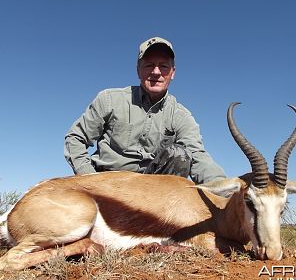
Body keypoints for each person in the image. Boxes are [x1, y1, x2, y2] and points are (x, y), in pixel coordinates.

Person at [64, 36, 226, 184]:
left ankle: (160, 212)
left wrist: (222, 185)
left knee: (180, 155)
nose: (156, 72)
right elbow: (76, 138)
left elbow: (198, 156)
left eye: (163, 66)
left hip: (151, 189)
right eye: (149, 65)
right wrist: (90, 179)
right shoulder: (109, 99)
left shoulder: (181, 116)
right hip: (105, 182)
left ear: (173, 73)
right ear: (138, 70)